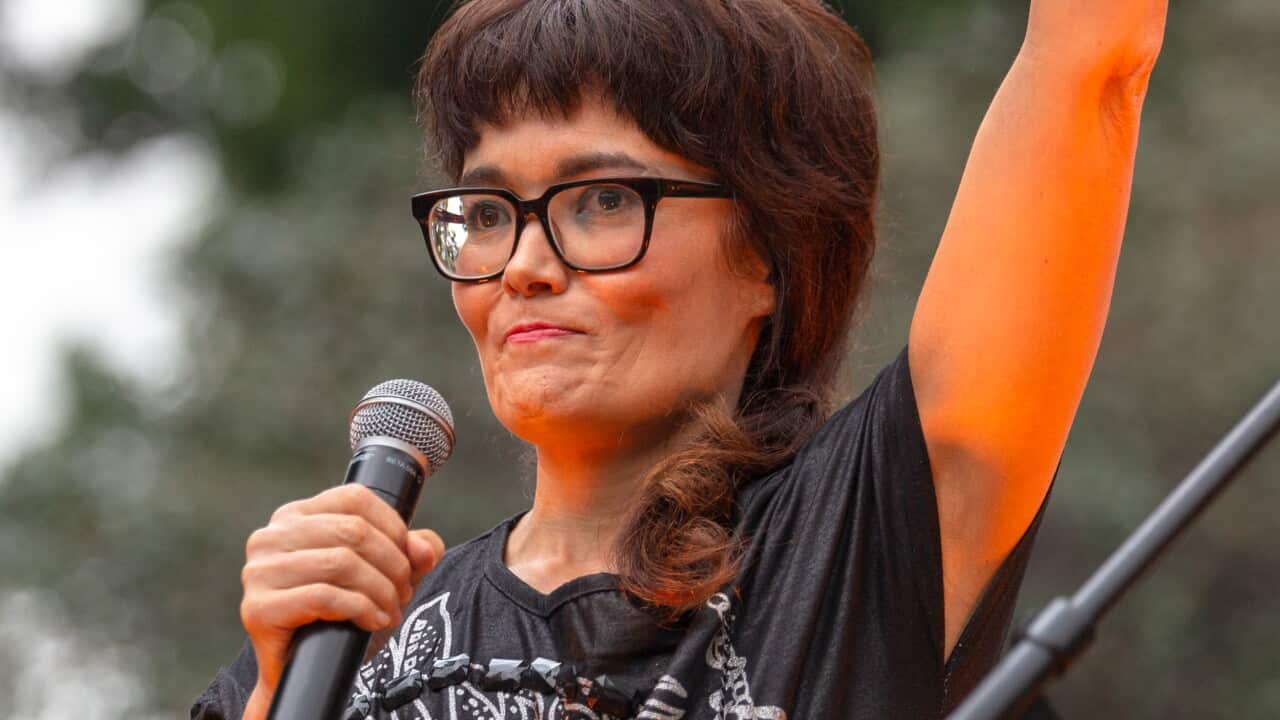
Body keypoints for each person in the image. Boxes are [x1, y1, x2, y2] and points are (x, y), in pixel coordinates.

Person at [192, 0, 1167, 718]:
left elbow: (1090, 66)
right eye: (486, 214)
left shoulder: (857, 537)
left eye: (603, 201)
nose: (524, 267)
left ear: (771, 256)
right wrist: (279, 694)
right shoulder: (336, 637)